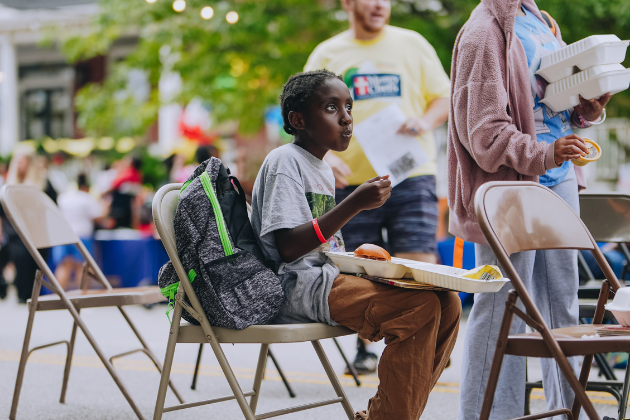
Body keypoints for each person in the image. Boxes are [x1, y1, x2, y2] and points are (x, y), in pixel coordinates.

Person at [251, 69, 461, 420]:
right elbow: (288, 248)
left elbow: (323, 244)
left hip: (328, 278)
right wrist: (354, 203)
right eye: (331, 108)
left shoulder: (319, 167)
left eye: (349, 107)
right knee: (419, 307)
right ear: (298, 119)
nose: (347, 118)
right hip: (297, 286)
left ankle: (386, 415)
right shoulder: (284, 161)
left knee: (448, 302)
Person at [448, 1, 610, 418]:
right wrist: (544, 152)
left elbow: (549, 103)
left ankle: (568, 410)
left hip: (557, 182)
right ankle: (489, 415)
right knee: (503, 308)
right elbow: (482, 133)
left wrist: (584, 113)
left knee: (562, 306)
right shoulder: (483, 32)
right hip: (511, 188)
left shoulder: (540, 20)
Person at [304, 0, 451, 373]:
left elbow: (444, 97)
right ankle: (367, 350)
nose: (380, 4)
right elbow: (306, 116)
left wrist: (425, 119)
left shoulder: (412, 43)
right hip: (351, 183)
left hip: (411, 173)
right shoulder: (328, 52)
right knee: (360, 269)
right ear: (349, 3)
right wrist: (325, 157)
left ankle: (424, 344)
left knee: (418, 260)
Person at [1, 150, 58, 302]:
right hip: (16, 234)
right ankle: (23, 298)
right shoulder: (9, 186)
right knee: (22, 267)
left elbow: (53, 207)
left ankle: (34, 298)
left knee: (36, 269)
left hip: (38, 232)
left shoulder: (43, 184)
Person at [52, 174, 104, 289]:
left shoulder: (64, 197)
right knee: (83, 267)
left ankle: (58, 296)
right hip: (82, 236)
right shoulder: (87, 198)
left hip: (63, 235)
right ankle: (83, 296)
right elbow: (98, 217)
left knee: (64, 266)